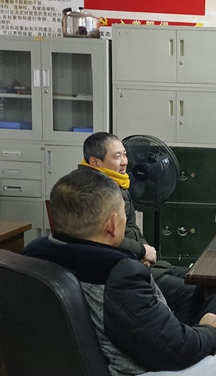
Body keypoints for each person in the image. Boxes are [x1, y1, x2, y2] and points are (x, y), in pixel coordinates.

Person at [24, 168, 216, 375]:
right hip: (140, 375)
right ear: (112, 224)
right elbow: (177, 351)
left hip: (76, 362)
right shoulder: (118, 273)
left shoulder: (36, 253)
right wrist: (209, 331)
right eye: (123, 212)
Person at [82, 132, 202, 324]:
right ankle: (178, 339)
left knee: (200, 279)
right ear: (95, 162)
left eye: (124, 155)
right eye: (117, 157)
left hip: (138, 260)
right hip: (121, 267)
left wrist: (146, 253)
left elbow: (132, 227)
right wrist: (141, 251)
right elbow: (104, 238)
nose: (124, 162)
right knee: (191, 291)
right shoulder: (92, 191)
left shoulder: (118, 182)